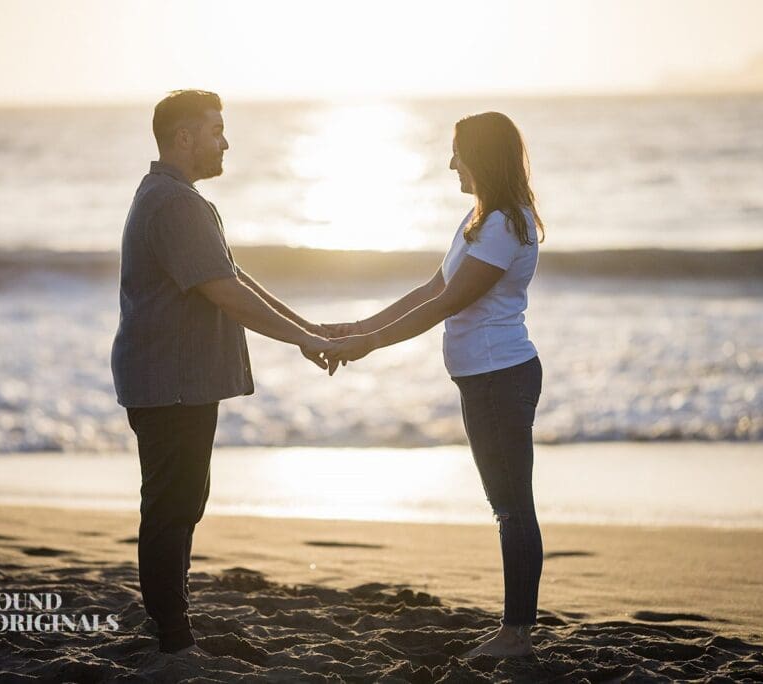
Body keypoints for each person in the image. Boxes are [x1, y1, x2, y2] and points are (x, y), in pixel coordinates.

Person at [110, 89, 336, 657]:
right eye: (216, 130)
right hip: (170, 382)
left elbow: (232, 276)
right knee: (173, 503)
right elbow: (226, 293)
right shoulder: (176, 203)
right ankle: (172, 633)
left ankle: (168, 618)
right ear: (183, 138)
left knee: (182, 499)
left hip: (172, 380)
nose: (225, 142)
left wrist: (307, 328)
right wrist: (304, 339)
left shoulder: (172, 196)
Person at [325, 111, 546, 658]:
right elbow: (431, 288)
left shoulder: (503, 224)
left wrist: (369, 345)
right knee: (507, 505)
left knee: (512, 507)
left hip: (500, 378)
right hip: (483, 379)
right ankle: (515, 629)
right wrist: (360, 326)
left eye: (458, 152)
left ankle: (516, 634)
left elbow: (449, 303)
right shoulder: (480, 218)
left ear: (482, 156)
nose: (451, 163)